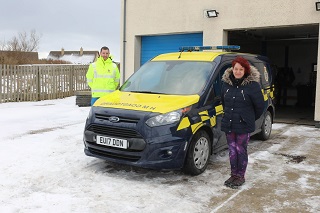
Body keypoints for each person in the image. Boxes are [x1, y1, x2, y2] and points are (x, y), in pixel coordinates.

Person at [221, 56, 265, 189]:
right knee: (232, 150)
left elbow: (260, 106)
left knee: (241, 150)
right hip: (229, 123)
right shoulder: (226, 84)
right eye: (236, 69)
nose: (238, 71)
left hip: (243, 125)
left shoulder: (252, 86)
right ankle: (233, 174)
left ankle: (241, 176)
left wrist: (248, 118)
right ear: (232, 69)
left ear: (245, 70)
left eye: (241, 69)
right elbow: (224, 103)